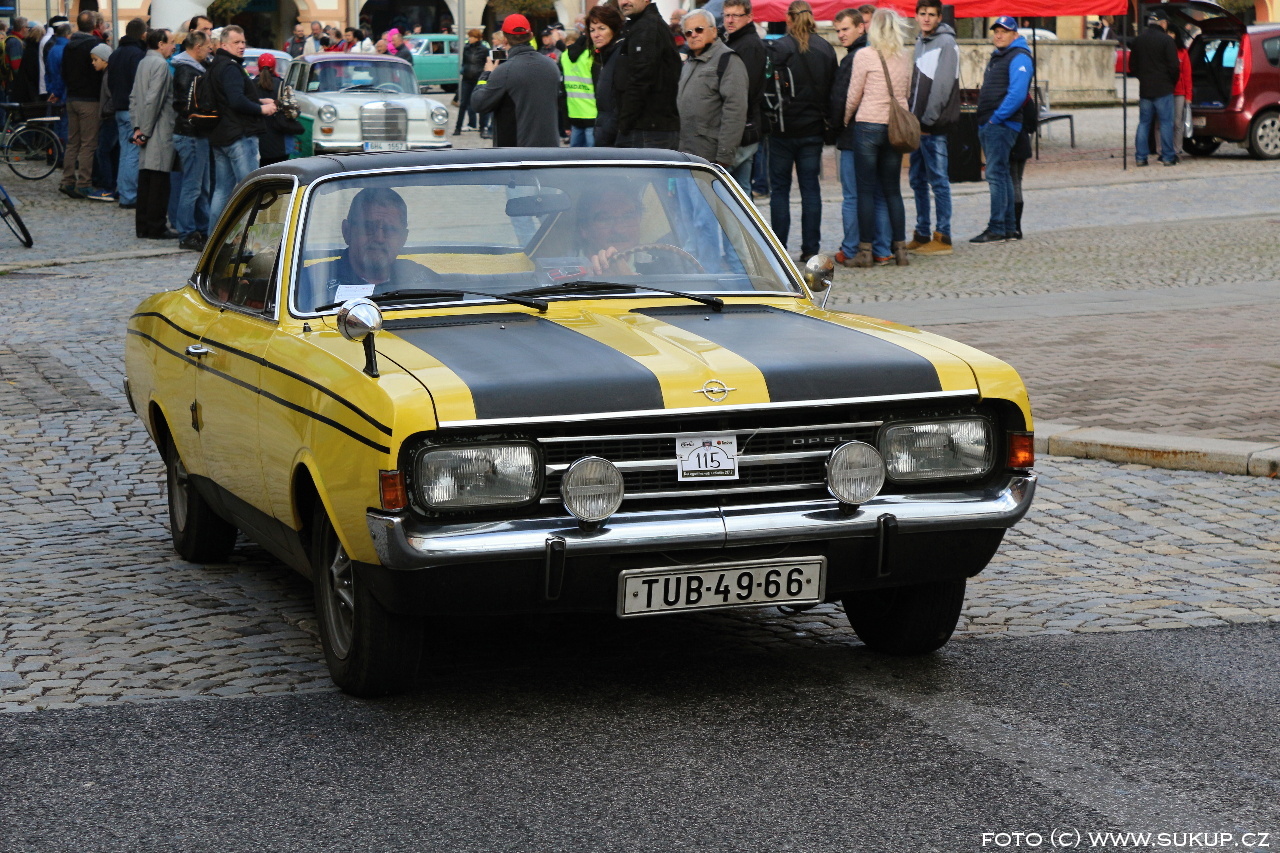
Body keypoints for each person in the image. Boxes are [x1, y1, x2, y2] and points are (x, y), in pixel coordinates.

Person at [767, 0, 837, 262]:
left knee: (780, 190)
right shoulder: (826, 48)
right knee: (810, 189)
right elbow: (834, 89)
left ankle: (779, 248)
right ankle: (810, 248)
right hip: (813, 128)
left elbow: (768, 88)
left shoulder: (779, 47)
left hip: (783, 129)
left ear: (788, 19)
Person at [843, 8, 912, 267]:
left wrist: (846, 118)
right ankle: (900, 250)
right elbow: (906, 91)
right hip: (895, 128)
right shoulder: (905, 56)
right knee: (893, 190)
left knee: (865, 191)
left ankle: (865, 252)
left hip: (868, 126)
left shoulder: (864, 55)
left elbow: (854, 94)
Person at [303, 187, 434, 310]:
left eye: (389, 230)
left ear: (403, 238)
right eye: (368, 227)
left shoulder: (424, 281)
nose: (379, 238)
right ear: (347, 231)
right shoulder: (309, 282)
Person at [830, 8, 889, 267]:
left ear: (860, 27)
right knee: (879, 193)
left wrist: (835, 126)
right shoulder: (881, 52)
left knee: (853, 195)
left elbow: (842, 99)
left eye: (845, 29)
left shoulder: (854, 58)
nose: (841, 35)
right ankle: (883, 248)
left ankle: (851, 248)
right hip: (882, 130)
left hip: (854, 135)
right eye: (838, 31)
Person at [208, 25, 278, 225]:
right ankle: (249, 236)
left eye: (243, 42)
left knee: (222, 190)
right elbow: (236, 101)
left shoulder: (216, 65)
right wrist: (261, 109)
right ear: (224, 45)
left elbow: (227, 98)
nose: (241, 46)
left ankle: (214, 235)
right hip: (239, 135)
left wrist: (259, 101)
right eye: (236, 42)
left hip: (222, 134)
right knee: (251, 189)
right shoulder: (230, 67)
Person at [971, 16, 1032, 243]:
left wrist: (995, 119)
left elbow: (1017, 93)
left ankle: (997, 227)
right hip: (994, 123)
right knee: (1002, 175)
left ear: (1015, 34)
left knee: (996, 175)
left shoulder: (1018, 56)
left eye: (1004, 31)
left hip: (1001, 124)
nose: (998, 35)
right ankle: (1007, 227)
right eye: (996, 31)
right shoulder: (1001, 56)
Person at [906, 0, 959, 256]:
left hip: (932, 126)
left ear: (939, 18)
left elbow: (942, 87)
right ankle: (922, 232)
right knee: (917, 180)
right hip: (917, 126)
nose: (926, 18)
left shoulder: (946, 43)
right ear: (916, 16)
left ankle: (943, 235)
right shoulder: (920, 42)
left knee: (938, 181)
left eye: (931, 14)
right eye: (922, 13)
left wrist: (927, 120)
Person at [470, 14, 561, 147]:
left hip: (517, 152)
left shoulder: (505, 71)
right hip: (550, 149)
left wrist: (487, 74)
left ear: (505, 40)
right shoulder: (551, 65)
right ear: (531, 35)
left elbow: (478, 103)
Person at [676, 9, 747, 169]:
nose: (694, 35)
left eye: (699, 29)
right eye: (688, 32)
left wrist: (724, 156)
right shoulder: (690, 62)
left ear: (713, 31)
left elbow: (735, 110)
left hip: (710, 157)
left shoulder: (728, 60)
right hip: (686, 153)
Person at [613, 0, 682, 150]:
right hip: (648, 128)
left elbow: (640, 79)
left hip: (647, 130)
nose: (624, 2)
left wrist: (624, 124)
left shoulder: (647, 27)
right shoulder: (642, 25)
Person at [130, 28, 177, 239]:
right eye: (171, 42)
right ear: (160, 44)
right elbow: (154, 100)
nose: (174, 46)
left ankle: (143, 226)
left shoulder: (143, 62)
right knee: (158, 181)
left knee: (146, 180)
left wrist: (137, 128)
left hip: (145, 127)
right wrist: (145, 132)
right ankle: (156, 226)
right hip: (158, 129)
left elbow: (134, 98)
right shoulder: (160, 65)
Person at [59, 12, 107, 202]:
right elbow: (98, 73)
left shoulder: (69, 45)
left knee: (73, 142)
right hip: (89, 99)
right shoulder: (94, 45)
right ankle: (84, 183)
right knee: (88, 144)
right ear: (94, 25)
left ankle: (67, 180)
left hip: (72, 97)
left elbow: (63, 71)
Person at [722, 0, 767, 194]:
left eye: (736, 15)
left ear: (749, 17)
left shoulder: (748, 45)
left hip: (742, 125)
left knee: (735, 189)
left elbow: (746, 90)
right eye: (727, 15)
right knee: (740, 189)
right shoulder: (734, 40)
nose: (730, 20)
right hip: (741, 124)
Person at [173, 30, 212, 251]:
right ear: (197, 48)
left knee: (200, 188)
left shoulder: (191, 68)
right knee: (192, 187)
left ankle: (202, 229)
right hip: (191, 135)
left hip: (194, 134)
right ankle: (187, 232)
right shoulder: (188, 71)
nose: (209, 50)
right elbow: (186, 106)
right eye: (207, 46)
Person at [1130, 9, 1179, 167]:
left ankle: (1141, 157)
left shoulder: (1138, 40)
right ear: (1163, 23)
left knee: (1144, 123)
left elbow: (1132, 66)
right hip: (1163, 88)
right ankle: (1168, 156)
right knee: (1166, 123)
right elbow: (1174, 66)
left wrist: (1143, 78)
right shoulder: (1167, 40)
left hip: (1145, 89)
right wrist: (1171, 82)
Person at [107, 18, 146, 210]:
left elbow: (110, 82)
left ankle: (123, 191)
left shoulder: (116, 53)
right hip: (131, 109)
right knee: (132, 153)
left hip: (118, 107)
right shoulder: (137, 54)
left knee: (125, 153)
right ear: (142, 34)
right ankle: (129, 195)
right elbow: (139, 84)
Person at [587, 4, 623, 147]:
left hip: (615, 138)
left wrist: (609, 133)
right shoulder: (603, 57)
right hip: (605, 133)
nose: (596, 34)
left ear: (614, 29)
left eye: (602, 28)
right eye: (592, 30)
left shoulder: (620, 55)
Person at [254, 52, 294, 167]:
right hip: (280, 141)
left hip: (258, 141)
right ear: (274, 66)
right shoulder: (282, 85)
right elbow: (293, 111)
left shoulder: (250, 85)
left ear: (258, 66)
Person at [560, 27, 597, 146]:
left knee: (575, 155)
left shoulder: (564, 56)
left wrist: (566, 122)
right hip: (593, 113)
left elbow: (563, 91)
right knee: (594, 155)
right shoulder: (591, 55)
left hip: (574, 113)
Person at [454, 29, 486, 135]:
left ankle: (482, 128)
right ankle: (458, 128)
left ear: (477, 38)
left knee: (480, 103)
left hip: (478, 79)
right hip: (467, 78)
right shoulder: (466, 48)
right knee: (463, 104)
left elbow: (485, 63)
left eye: (471, 37)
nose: (469, 39)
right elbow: (464, 62)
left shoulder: (484, 49)